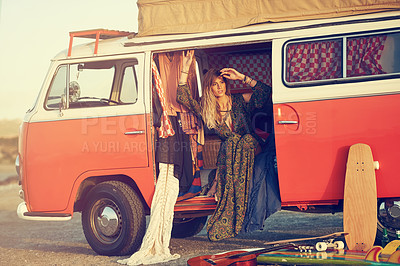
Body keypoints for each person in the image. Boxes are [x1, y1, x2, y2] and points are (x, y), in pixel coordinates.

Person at [177, 50, 275, 241]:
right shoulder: (207, 109)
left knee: (240, 141)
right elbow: (182, 95)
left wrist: (242, 77)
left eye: (221, 83)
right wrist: (185, 68)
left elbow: (266, 92)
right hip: (230, 153)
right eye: (214, 84)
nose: (219, 87)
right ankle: (223, 195)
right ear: (209, 88)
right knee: (229, 143)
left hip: (250, 146)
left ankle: (217, 185)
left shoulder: (240, 100)